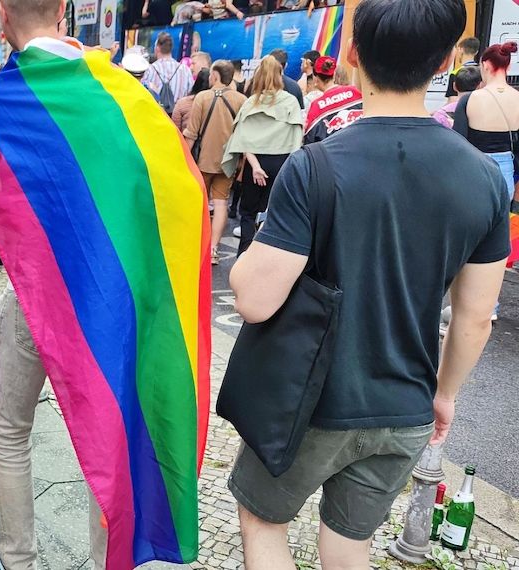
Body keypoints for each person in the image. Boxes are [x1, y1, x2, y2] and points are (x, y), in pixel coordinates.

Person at [0, 0, 210, 567]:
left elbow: (9, 197)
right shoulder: (120, 90)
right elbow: (176, 185)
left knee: (9, 431)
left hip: (38, 299)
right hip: (108, 301)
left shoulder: (14, 89)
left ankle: (18, 560)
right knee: (108, 436)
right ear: (63, 10)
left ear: (4, 15)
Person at [228, 2, 509, 569]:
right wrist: (444, 395)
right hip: (405, 404)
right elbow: (476, 316)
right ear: (446, 63)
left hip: (311, 403)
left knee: (263, 520)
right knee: (350, 544)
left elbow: (255, 301)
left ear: (352, 55)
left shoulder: (314, 167)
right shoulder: (485, 179)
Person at [221, 55, 303, 254]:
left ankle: (244, 254)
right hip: (280, 163)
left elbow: (242, 137)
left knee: (247, 212)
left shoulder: (251, 103)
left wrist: (256, 167)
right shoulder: (290, 101)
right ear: (280, 74)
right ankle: (264, 255)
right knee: (271, 212)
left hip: (255, 163)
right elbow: (296, 138)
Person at [184, 59, 247, 264]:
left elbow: (192, 133)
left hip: (202, 160)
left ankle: (194, 246)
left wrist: (183, 158)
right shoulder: (241, 100)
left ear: (216, 76)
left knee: (198, 203)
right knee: (221, 204)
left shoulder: (202, 97)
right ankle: (213, 250)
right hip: (227, 162)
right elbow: (243, 135)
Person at [453, 42, 519, 201]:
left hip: (475, 174)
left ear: (485, 65)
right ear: (508, 67)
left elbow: (457, 143)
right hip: (505, 176)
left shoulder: (470, 99)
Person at [302, 62, 363, 145]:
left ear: (315, 79)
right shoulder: (355, 91)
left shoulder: (316, 106)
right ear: (334, 75)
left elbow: (309, 140)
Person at [142, 32, 194, 112]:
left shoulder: (150, 69)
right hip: (177, 117)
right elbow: (190, 94)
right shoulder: (185, 70)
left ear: (157, 48)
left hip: (157, 115)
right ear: (171, 48)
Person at [446, 36, 480, 102]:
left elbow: (452, 101)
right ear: (476, 52)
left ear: (460, 49)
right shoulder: (482, 72)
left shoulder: (455, 73)